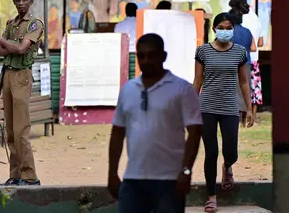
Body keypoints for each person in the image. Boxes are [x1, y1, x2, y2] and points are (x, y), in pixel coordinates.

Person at [108, 33, 202, 213]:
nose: (146, 60)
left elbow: (195, 132)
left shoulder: (181, 89)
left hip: (170, 181)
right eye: (141, 56)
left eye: (152, 55)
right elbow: (118, 132)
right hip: (133, 180)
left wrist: (186, 171)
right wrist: (112, 173)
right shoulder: (128, 89)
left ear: (163, 56)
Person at [193, 12, 253, 212]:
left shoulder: (240, 52)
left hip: (230, 107)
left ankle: (227, 166)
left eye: (229, 28)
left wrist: (249, 109)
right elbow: (198, 80)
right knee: (211, 152)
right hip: (206, 107)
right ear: (214, 29)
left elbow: (244, 82)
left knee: (231, 152)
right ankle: (211, 196)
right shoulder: (202, 51)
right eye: (222, 28)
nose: (226, 31)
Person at [0, 0, 44, 186]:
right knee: (10, 130)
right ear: (14, 0)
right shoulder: (11, 24)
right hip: (7, 75)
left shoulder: (35, 24)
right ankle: (15, 174)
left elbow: (21, 49)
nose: (21, 2)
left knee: (21, 129)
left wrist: (6, 43)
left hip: (22, 76)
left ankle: (30, 176)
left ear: (31, 0)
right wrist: (9, 46)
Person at [228, 0, 257, 127]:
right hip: (246, 63)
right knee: (245, 90)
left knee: (233, 92)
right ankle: (246, 117)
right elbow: (253, 47)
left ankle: (236, 119)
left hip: (231, 63)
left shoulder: (229, 32)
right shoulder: (248, 32)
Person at [242, 11, 264, 124]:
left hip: (241, 60)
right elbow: (260, 43)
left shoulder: (239, 22)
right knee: (255, 89)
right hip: (254, 60)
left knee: (241, 87)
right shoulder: (257, 21)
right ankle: (254, 117)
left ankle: (242, 117)